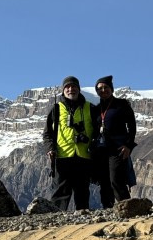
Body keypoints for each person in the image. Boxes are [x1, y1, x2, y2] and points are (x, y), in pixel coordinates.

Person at [44, 76, 94, 210]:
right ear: (63, 90)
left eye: (74, 87)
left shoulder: (90, 108)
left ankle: (83, 221)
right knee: (60, 192)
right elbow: (47, 134)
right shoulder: (56, 108)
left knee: (82, 192)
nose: (71, 89)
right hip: (62, 156)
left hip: (83, 157)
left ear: (79, 89)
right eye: (67, 87)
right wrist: (50, 148)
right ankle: (56, 222)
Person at [92, 75, 137, 208]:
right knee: (104, 180)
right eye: (100, 88)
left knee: (116, 179)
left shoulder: (122, 105)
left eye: (106, 87)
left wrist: (128, 145)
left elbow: (132, 127)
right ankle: (107, 208)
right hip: (101, 150)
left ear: (111, 89)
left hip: (117, 148)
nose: (103, 90)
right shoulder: (96, 109)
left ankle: (127, 207)